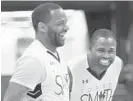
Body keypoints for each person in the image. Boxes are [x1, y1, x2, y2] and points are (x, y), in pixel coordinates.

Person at [3, 3, 72, 101]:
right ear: (42, 27)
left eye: (65, 23)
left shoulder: (56, 56)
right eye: (60, 24)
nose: (66, 28)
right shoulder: (33, 59)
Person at [69, 29, 123, 101]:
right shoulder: (70, 70)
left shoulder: (118, 64)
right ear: (90, 49)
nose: (106, 56)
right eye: (101, 50)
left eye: (111, 51)